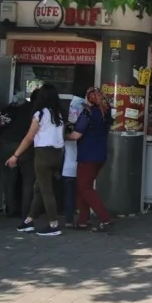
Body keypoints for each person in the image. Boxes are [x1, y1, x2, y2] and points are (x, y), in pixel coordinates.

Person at [8, 84, 67, 236]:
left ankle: (53, 225)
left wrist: (16, 155)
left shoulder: (40, 114)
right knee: (38, 188)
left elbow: (29, 138)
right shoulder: (59, 114)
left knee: (46, 191)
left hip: (42, 155)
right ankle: (29, 220)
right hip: (57, 154)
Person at [67, 87, 114, 232]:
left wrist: (63, 135)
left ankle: (105, 219)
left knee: (84, 188)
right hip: (100, 155)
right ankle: (82, 221)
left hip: (87, 155)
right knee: (83, 187)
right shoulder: (105, 113)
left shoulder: (88, 113)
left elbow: (76, 135)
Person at [0, 89, 38, 217]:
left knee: (9, 179)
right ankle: (26, 212)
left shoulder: (11, 108)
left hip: (7, 144)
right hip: (25, 146)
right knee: (28, 180)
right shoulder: (35, 111)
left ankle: (11, 209)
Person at [62, 96, 85, 228]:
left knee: (69, 196)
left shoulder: (67, 128)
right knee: (82, 195)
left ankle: (69, 220)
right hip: (81, 166)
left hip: (68, 168)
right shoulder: (86, 127)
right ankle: (83, 218)